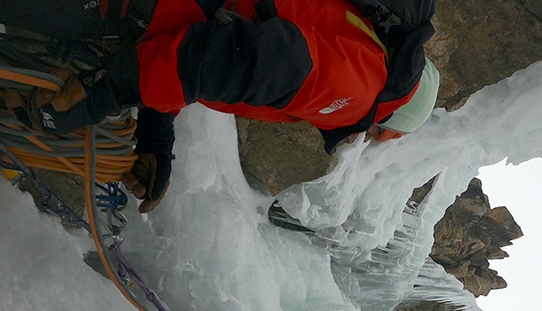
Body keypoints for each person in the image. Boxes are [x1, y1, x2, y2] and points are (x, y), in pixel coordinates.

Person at [0, 0, 439, 211]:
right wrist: (104, 91)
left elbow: (215, 48)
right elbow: (227, 59)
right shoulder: (360, 92)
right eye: (383, 133)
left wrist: (156, 132)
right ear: (388, 116)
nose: (369, 138)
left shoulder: (363, 48)